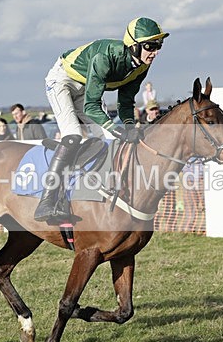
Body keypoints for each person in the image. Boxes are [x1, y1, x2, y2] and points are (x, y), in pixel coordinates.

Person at [36, 16, 169, 223]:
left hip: (87, 88)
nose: (156, 51)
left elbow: (125, 103)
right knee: (73, 135)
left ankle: (105, 191)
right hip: (63, 81)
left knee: (110, 140)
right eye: (151, 45)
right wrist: (115, 127)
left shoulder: (142, 65)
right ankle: (47, 200)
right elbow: (91, 105)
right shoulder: (105, 57)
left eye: (159, 44)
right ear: (133, 46)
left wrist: (128, 126)